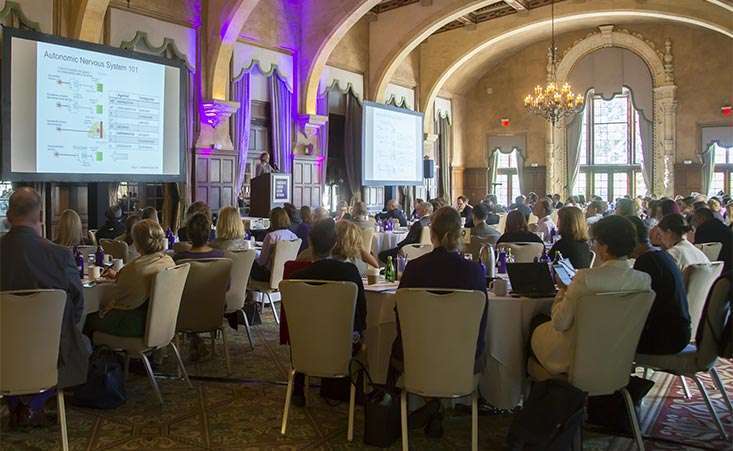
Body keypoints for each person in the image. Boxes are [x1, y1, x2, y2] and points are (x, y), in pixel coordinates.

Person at [387, 207, 488, 437]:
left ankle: (425, 405)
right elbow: (482, 321)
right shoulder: (474, 272)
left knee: (397, 348)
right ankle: (439, 406)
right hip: (463, 358)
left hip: (418, 356)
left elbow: (400, 315)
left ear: (432, 233)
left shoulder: (414, 269)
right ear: (460, 234)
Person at [0, 188, 91, 427]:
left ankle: (18, 404)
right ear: (40, 216)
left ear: (8, 216)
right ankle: (34, 403)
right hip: (51, 353)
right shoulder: (59, 256)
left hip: (2, 351)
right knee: (80, 342)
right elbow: (78, 306)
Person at [530, 216, 651, 376]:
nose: (593, 246)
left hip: (577, 356)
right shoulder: (643, 280)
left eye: (595, 242)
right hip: (619, 356)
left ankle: (541, 392)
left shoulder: (585, 279)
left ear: (604, 247)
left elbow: (559, 323)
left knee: (534, 325)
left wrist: (564, 290)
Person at [289, 219, 367, 406]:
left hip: (305, 347)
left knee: (304, 330)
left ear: (310, 243)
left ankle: (298, 389)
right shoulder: (349, 272)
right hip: (344, 344)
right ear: (334, 244)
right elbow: (362, 311)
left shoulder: (295, 280)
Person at [86, 219, 176, 339]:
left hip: (135, 323)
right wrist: (119, 276)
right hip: (162, 320)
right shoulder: (168, 261)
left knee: (88, 318)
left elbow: (118, 297)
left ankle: (95, 356)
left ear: (137, 243)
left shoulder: (135, 268)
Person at [626, 216, 691, 354]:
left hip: (664, 339)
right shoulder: (661, 255)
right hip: (680, 333)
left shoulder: (647, 261)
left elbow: (636, 307)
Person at [251, 207, 298, 281]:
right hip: (286, 274)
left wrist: (254, 254)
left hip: (268, 275)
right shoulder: (294, 236)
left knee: (247, 265)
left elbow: (262, 262)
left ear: (272, 221)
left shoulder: (271, 236)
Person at [691, 207, 732, 271]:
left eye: (695, 220)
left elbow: (698, 252)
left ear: (702, 218)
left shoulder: (703, 229)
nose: (694, 223)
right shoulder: (721, 225)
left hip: (720, 267)